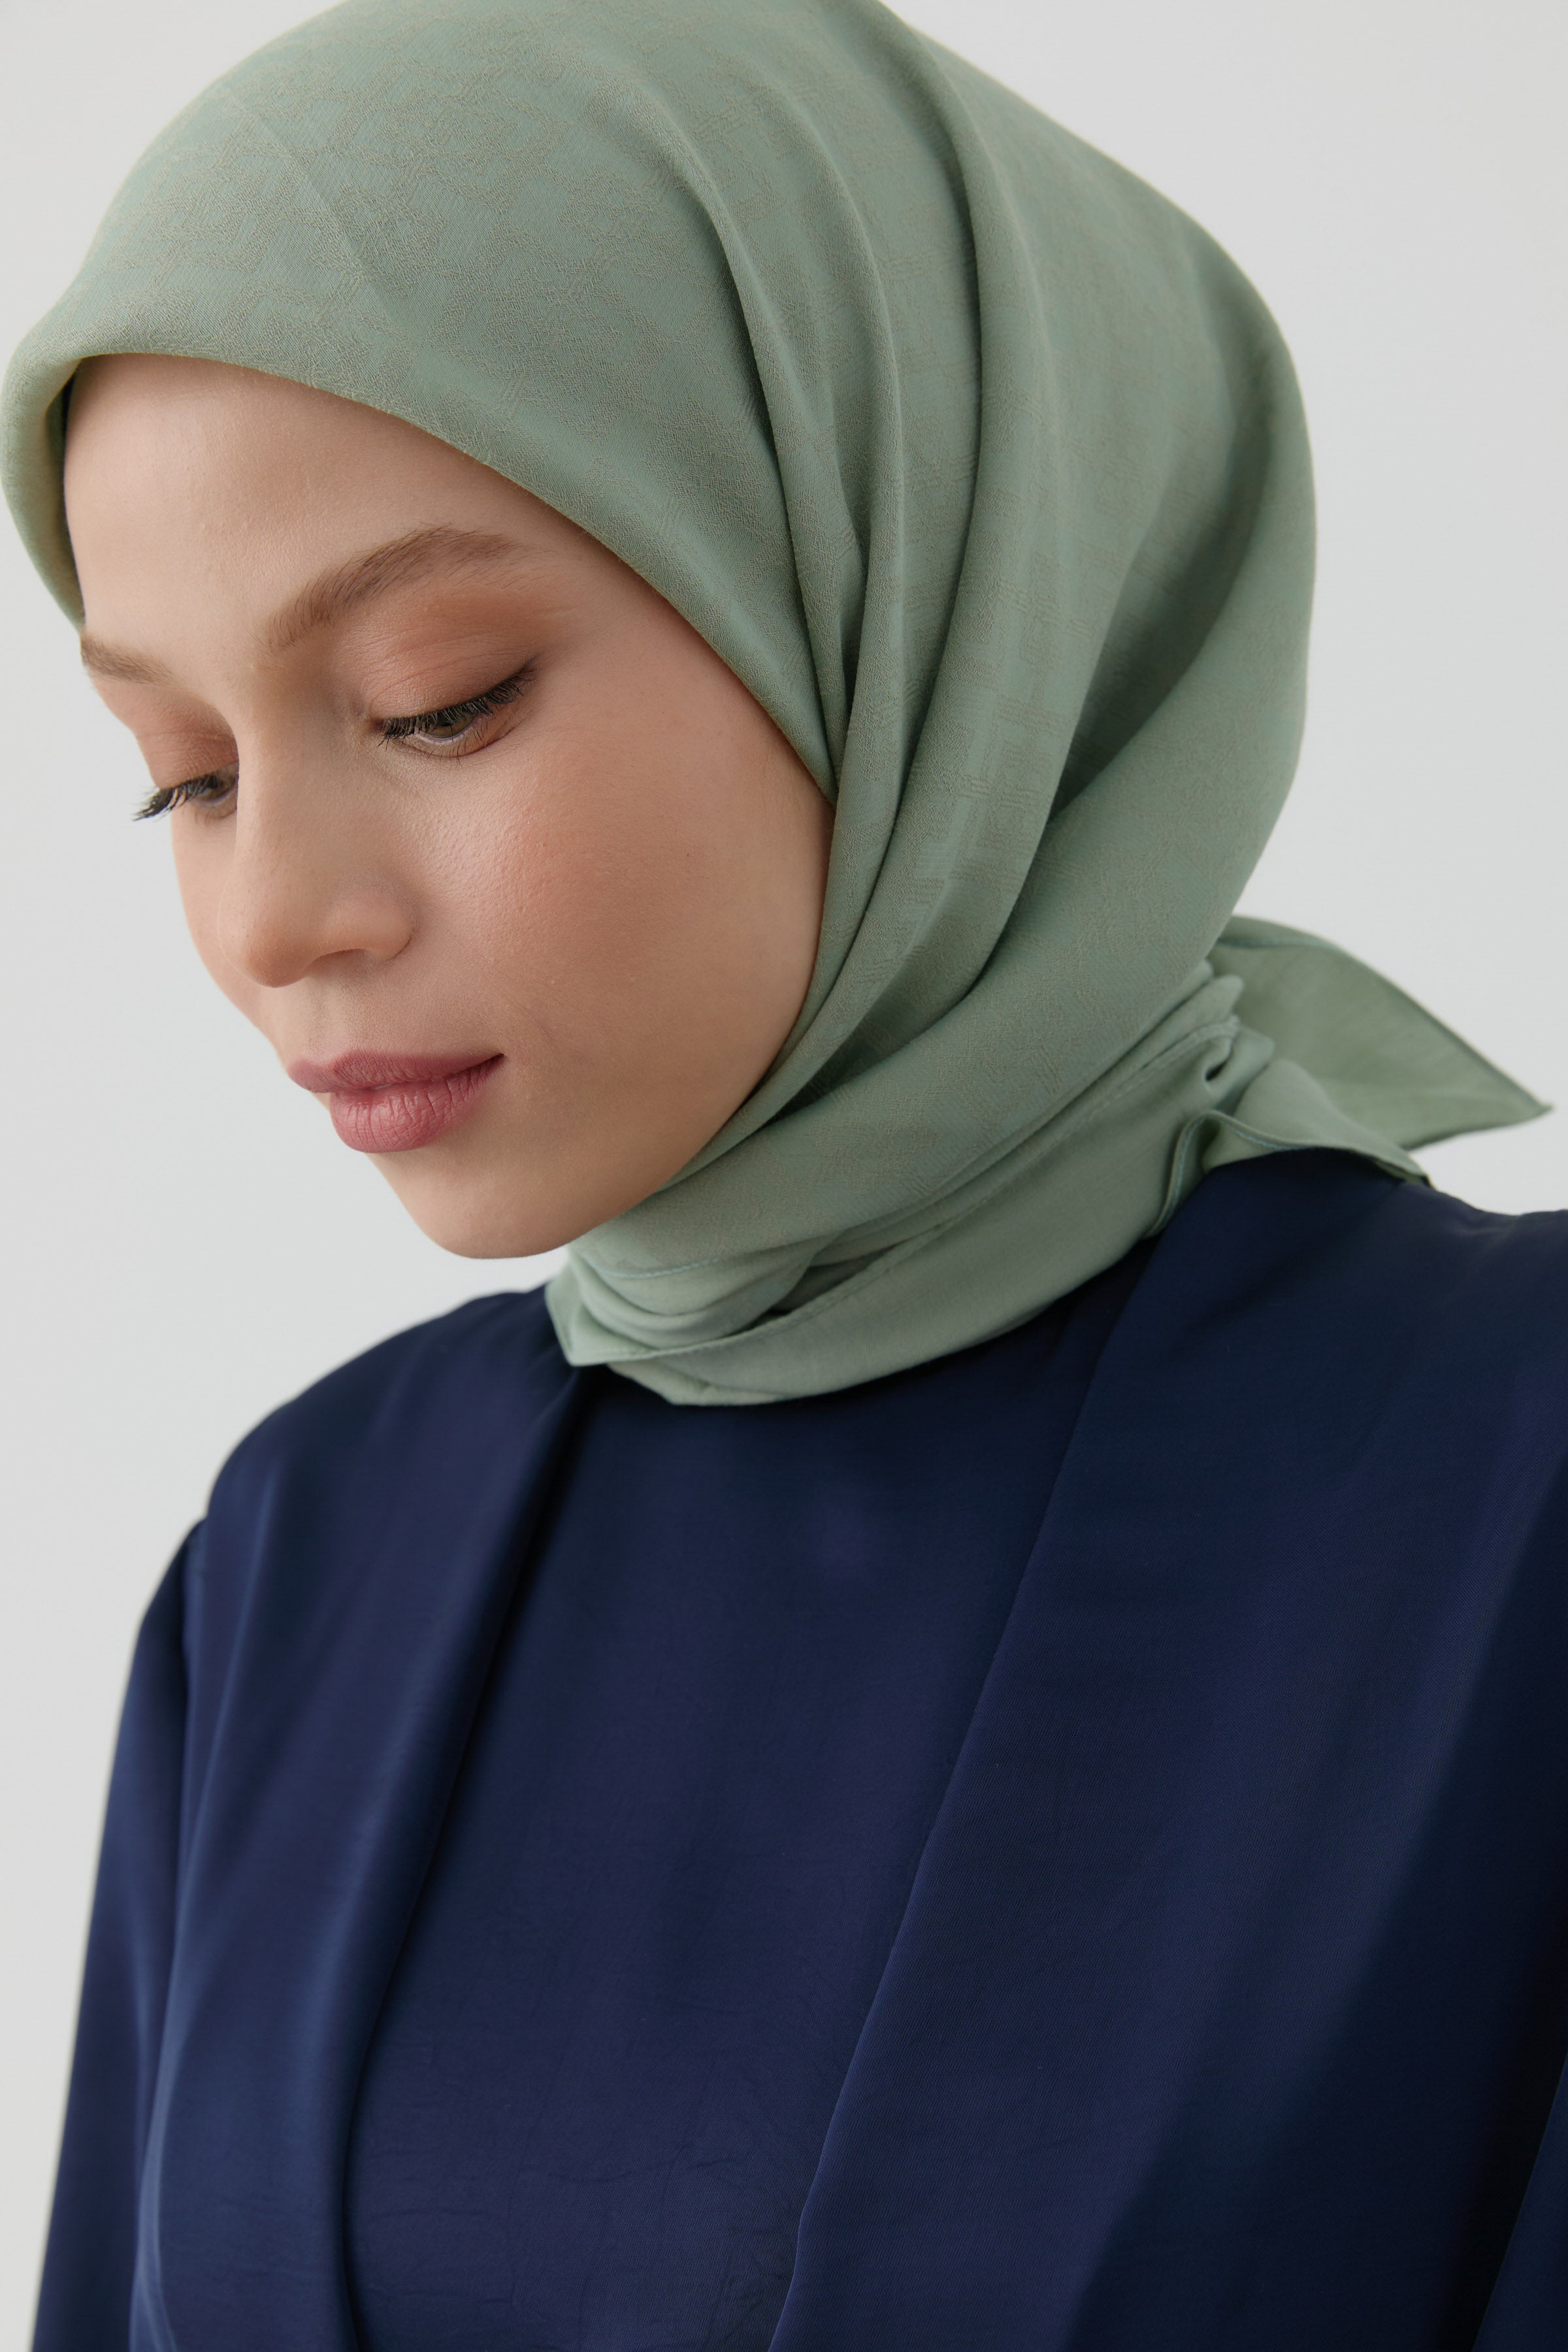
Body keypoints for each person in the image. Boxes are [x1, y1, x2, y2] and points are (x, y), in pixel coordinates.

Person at [6, 0, 1567, 2344]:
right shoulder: (304, 1557)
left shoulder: (1508, 1489)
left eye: (435, 697)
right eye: (185, 770)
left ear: (920, 585)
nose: (273, 916)